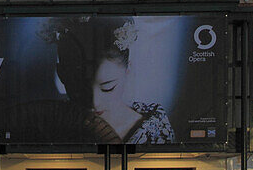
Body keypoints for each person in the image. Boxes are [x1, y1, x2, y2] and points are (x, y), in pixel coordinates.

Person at [41, 16, 174, 144]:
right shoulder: (49, 122)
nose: (95, 103)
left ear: (127, 70)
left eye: (108, 88)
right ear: (61, 74)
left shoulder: (153, 130)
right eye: (80, 89)